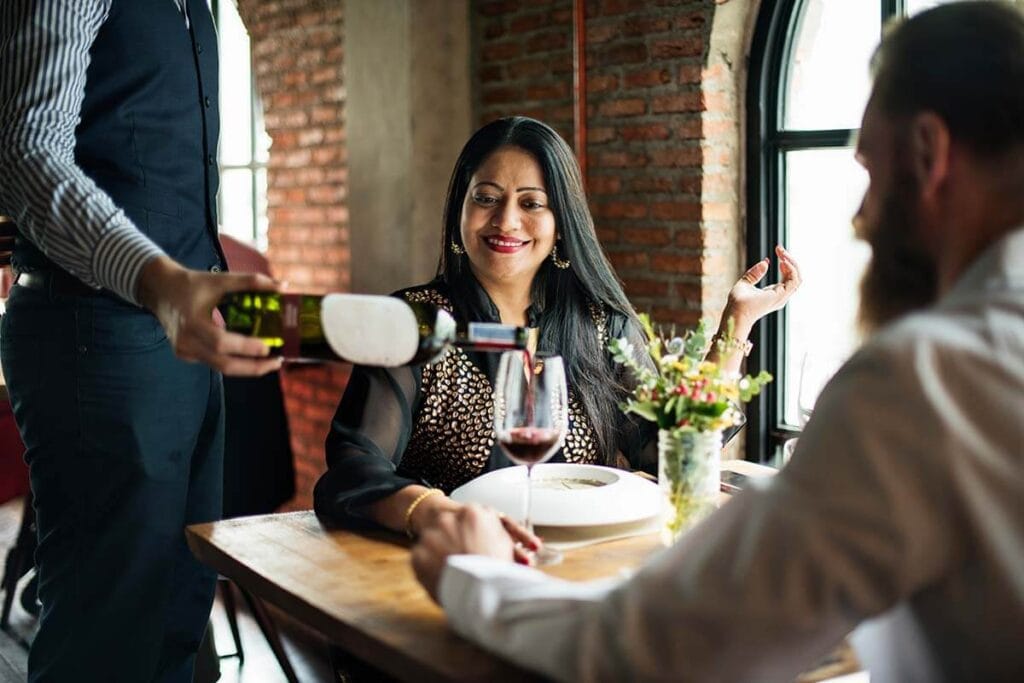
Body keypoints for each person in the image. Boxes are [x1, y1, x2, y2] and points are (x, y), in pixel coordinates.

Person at [410, 3, 1024, 681]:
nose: (859, 215)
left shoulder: (926, 374)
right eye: (487, 198)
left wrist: (474, 578)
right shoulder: (421, 319)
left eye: (870, 172)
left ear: (931, 153)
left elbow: (658, 646)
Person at [313, 115, 800, 543]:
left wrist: (735, 324)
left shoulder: (602, 323)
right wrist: (435, 513)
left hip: (586, 570)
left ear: (560, 222)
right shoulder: (417, 323)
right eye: (486, 198)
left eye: (532, 203)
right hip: (449, 568)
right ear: (460, 209)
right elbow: (354, 467)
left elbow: (674, 451)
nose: (506, 221)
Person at [0, 2, 282, 680]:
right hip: (95, 336)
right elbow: (27, 150)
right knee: (108, 641)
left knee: (177, 621)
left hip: (178, 338)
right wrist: (160, 282)